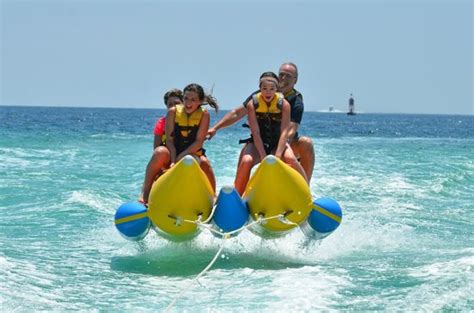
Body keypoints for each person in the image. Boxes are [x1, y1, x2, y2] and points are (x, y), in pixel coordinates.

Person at [207, 62, 315, 182]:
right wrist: (215, 128)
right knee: (246, 156)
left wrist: (277, 153)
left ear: (295, 80)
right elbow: (237, 113)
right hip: (260, 142)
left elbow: (289, 130)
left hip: (283, 143)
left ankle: (305, 189)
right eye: (281, 75)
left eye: (288, 76)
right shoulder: (259, 95)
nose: (284, 78)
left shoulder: (296, 101)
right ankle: (238, 194)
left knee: (306, 143)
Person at [140, 83, 218, 204]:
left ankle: (213, 198)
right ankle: (145, 194)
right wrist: (173, 158)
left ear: (200, 101)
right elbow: (170, 140)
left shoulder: (204, 115)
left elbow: (198, 142)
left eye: (193, 100)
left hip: (191, 151)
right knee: (159, 152)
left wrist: (181, 157)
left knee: (204, 162)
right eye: (186, 98)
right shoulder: (172, 112)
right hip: (171, 150)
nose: (188, 103)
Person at [234, 72, 307, 195]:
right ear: (259, 89)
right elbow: (255, 132)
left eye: (271, 89)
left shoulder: (284, 104)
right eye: (264, 89)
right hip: (258, 143)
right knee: (246, 160)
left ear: (277, 89)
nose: (268, 92)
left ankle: (305, 193)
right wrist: (263, 155)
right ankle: (236, 197)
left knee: (290, 158)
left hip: (278, 143)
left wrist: (277, 156)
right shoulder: (253, 104)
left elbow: (285, 131)